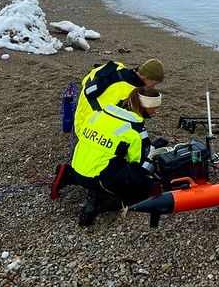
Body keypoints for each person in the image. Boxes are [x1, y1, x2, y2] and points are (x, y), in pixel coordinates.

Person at [69, 87, 163, 225]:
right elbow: (136, 163)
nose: (156, 111)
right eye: (154, 108)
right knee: (142, 189)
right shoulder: (135, 129)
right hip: (98, 178)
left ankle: (67, 175)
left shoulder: (101, 113)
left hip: (77, 166)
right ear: (145, 107)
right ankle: (99, 203)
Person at [73, 58, 165, 137]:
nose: (154, 87)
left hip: (80, 118)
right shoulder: (130, 92)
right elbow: (133, 120)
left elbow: (85, 80)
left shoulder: (115, 67)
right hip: (89, 131)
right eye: (155, 83)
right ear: (147, 78)